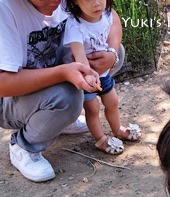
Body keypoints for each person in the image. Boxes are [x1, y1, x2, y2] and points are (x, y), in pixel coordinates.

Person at [0, 0, 123, 182]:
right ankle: (24, 145)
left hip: (50, 76)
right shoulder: (5, 8)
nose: (57, 2)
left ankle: (59, 120)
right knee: (67, 97)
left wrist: (112, 53)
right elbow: (3, 84)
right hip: (10, 100)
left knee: (115, 53)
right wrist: (63, 73)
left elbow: (110, 15)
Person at [63, 0, 141, 155]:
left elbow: (115, 27)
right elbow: (79, 55)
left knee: (112, 101)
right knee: (93, 108)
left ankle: (117, 129)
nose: (96, 3)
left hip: (103, 73)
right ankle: (100, 139)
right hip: (85, 76)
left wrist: (112, 53)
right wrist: (88, 75)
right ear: (75, 2)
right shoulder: (74, 24)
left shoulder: (106, 15)